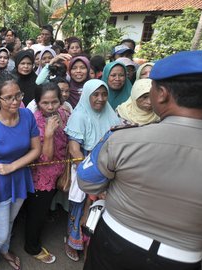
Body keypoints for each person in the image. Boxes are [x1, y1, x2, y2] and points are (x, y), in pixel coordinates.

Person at [77, 50, 202, 270]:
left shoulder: (123, 139)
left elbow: (87, 181)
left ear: (162, 93)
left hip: (114, 247)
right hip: (183, 260)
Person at [0, 73, 41, 270]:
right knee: (0, 232)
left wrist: (13, 166)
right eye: (9, 98)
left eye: (18, 95)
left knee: (11, 221)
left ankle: (4, 251)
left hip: (19, 177)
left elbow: (36, 149)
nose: (15, 101)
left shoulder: (27, 115)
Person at [63, 79, 121, 262]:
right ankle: (72, 242)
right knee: (80, 206)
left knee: (100, 207)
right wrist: (88, 174)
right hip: (86, 165)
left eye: (104, 94)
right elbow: (74, 148)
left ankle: (91, 244)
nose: (101, 99)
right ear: (87, 95)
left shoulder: (111, 114)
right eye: (95, 94)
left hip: (108, 166)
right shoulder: (79, 115)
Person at [23, 82, 70, 264]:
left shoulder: (63, 114)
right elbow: (45, 158)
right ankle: (31, 246)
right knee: (37, 214)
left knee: (40, 209)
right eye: (45, 103)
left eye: (54, 102)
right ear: (37, 102)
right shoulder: (34, 121)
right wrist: (49, 133)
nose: (50, 107)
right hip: (41, 177)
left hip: (57, 174)